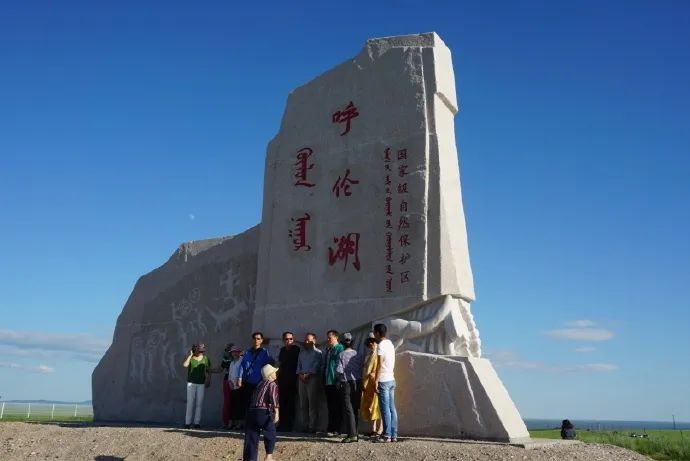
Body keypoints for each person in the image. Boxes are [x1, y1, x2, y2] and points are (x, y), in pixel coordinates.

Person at [243, 364, 280, 461]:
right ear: (270, 374)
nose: (276, 373)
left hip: (252, 412)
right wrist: (276, 413)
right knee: (270, 431)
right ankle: (269, 456)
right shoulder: (272, 384)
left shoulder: (259, 383)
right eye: (274, 372)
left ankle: (250, 459)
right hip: (263, 412)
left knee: (251, 436)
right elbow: (273, 399)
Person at [373, 323, 398, 442]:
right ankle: (394, 435)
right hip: (391, 379)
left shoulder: (381, 345)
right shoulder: (390, 344)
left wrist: (376, 380)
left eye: (374, 332)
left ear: (377, 333)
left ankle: (387, 435)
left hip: (383, 380)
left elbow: (379, 365)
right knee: (392, 408)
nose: (374, 335)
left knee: (385, 409)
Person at [336, 332, 362, 443]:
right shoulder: (358, 354)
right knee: (355, 408)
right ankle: (355, 433)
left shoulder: (341, 355)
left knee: (348, 408)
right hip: (358, 382)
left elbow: (339, 370)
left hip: (346, 382)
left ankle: (351, 434)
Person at [238, 332, 273, 414]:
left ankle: (256, 423)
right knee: (246, 402)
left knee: (258, 402)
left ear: (261, 340)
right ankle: (248, 423)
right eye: (254, 338)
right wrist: (239, 378)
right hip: (248, 381)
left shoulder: (265, 352)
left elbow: (267, 367)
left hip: (259, 382)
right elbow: (242, 365)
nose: (256, 340)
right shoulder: (247, 352)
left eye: (258, 339)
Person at [295, 332, 323, 433]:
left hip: (312, 379)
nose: (307, 342)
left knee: (312, 404)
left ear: (314, 341)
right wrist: (300, 374)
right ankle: (304, 425)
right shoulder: (302, 353)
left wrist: (308, 374)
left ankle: (312, 426)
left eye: (309, 340)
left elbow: (317, 365)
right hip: (301, 379)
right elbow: (298, 365)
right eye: (305, 340)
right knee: (303, 404)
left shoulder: (318, 353)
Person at [182, 343, 211, 429]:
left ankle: (197, 423)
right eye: (199, 350)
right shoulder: (191, 358)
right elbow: (185, 365)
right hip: (191, 383)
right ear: (195, 350)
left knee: (199, 403)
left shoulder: (206, 358)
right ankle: (187, 423)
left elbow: (208, 371)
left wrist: (208, 379)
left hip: (201, 383)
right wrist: (190, 355)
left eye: (202, 351)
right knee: (190, 402)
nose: (201, 352)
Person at [277, 331, 300, 432]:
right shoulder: (282, 350)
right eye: (286, 339)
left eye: (291, 339)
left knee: (291, 404)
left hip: (292, 381)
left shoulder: (296, 349)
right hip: (282, 381)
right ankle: (282, 425)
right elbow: (280, 364)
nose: (289, 341)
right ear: (283, 340)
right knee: (282, 403)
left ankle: (289, 426)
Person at [323, 329, 344, 436]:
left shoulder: (340, 348)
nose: (327, 340)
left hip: (335, 380)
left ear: (336, 337)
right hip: (328, 380)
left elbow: (339, 365)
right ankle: (331, 427)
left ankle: (337, 428)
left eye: (329, 338)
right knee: (330, 405)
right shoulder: (328, 349)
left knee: (337, 406)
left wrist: (338, 378)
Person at [360, 336, 382, 437]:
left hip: (375, 383)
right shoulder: (370, 354)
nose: (371, 345)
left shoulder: (378, 353)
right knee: (371, 407)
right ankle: (373, 429)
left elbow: (378, 368)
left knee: (377, 406)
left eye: (372, 343)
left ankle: (380, 429)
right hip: (368, 384)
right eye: (369, 344)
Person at [227, 345, 245, 429]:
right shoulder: (231, 362)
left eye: (236, 351)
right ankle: (232, 423)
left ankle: (239, 423)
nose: (234, 353)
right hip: (232, 386)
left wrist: (240, 381)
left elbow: (243, 371)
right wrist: (229, 382)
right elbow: (230, 374)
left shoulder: (242, 360)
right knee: (233, 404)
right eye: (233, 352)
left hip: (240, 385)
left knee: (239, 405)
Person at [219, 343, 234, 429]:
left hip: (236, 381)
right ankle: (226, 422)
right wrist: (210, 370)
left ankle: (235, 423)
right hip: (227, 380)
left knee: (235, 402)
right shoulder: (226, 358)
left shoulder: (240, 358)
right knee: (227, 402)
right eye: (227, 350)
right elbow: (221, 369)